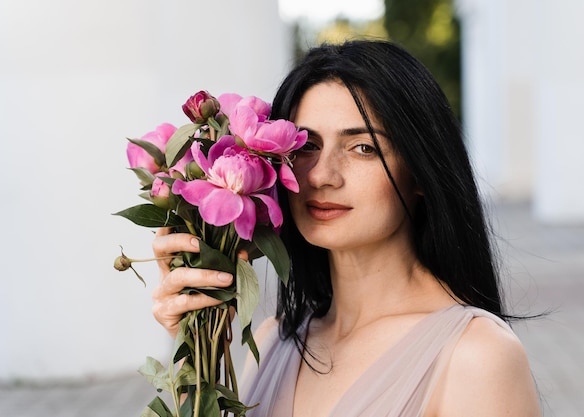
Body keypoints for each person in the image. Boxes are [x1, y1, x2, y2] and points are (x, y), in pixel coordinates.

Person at [151, 40, 541, 416]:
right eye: (306, 147)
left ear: (421, 171)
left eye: (363, 148)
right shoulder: (274, 341)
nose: (322, 176)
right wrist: (196, 351)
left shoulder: (475, 356)